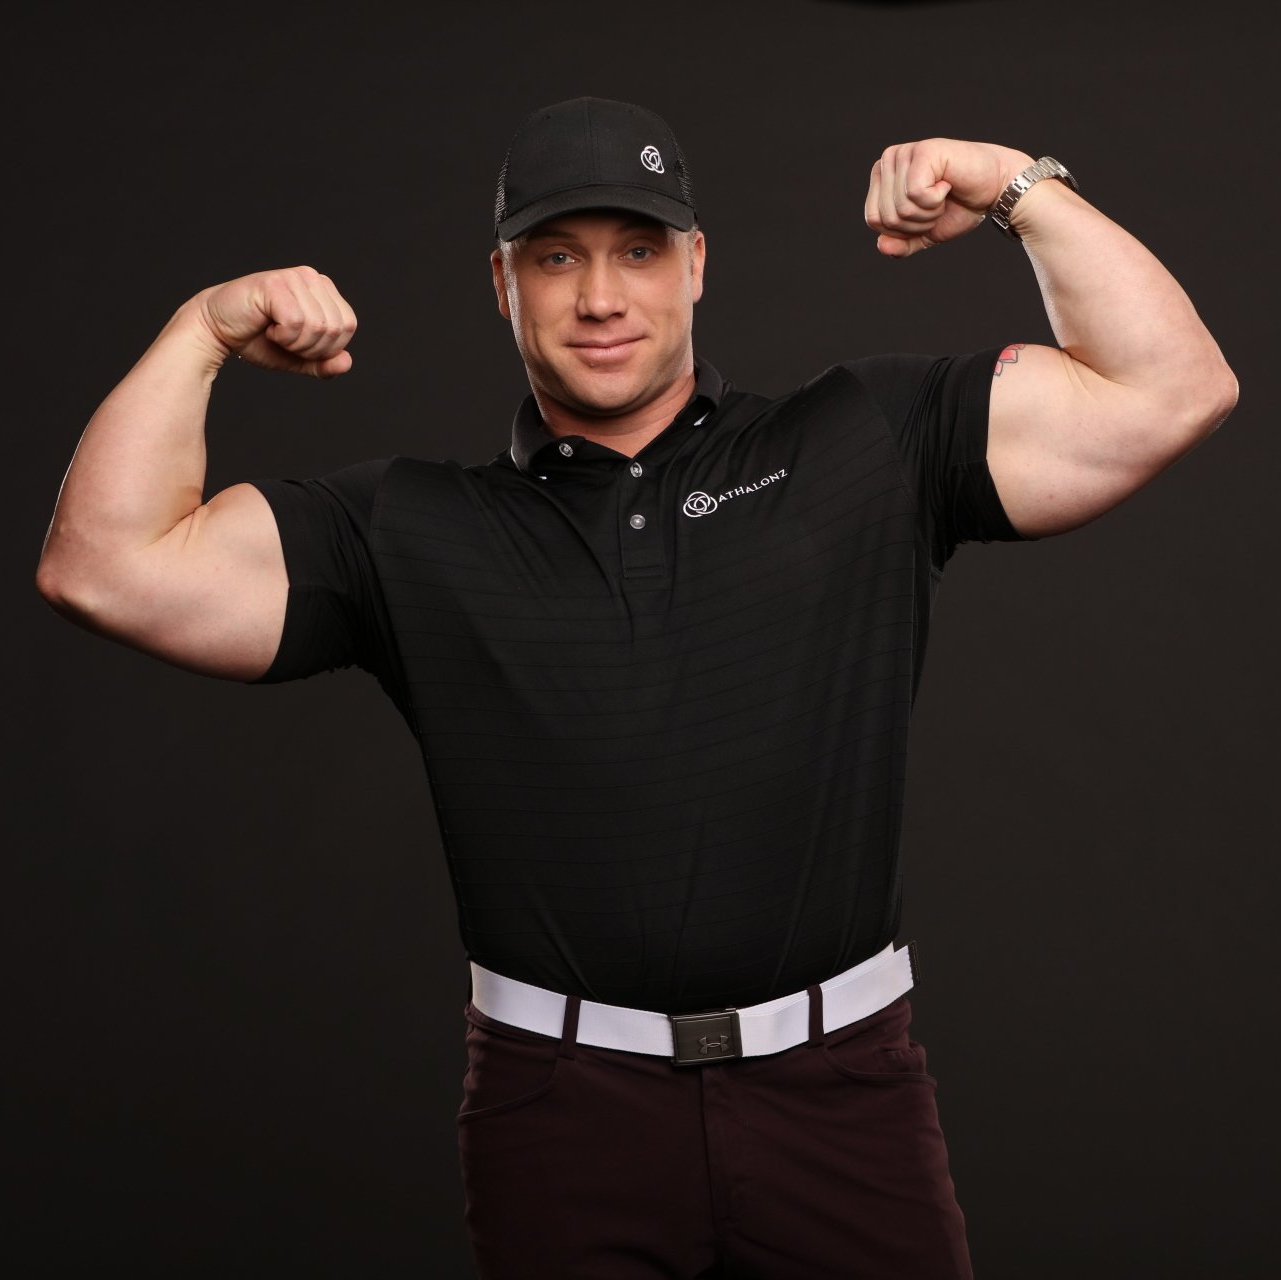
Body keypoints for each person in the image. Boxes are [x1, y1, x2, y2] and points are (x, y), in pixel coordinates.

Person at [35, 96, 1236, 1279]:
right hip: (561, 1112)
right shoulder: (407, 524)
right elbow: (104, 566)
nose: (600, 297)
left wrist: (1020, 186)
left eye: (638, 251)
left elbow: (1172, 387)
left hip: (845, 1093)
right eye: (555, 258)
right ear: (501, 284)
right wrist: (199, 330)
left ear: (697, 264)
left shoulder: (861, 439)